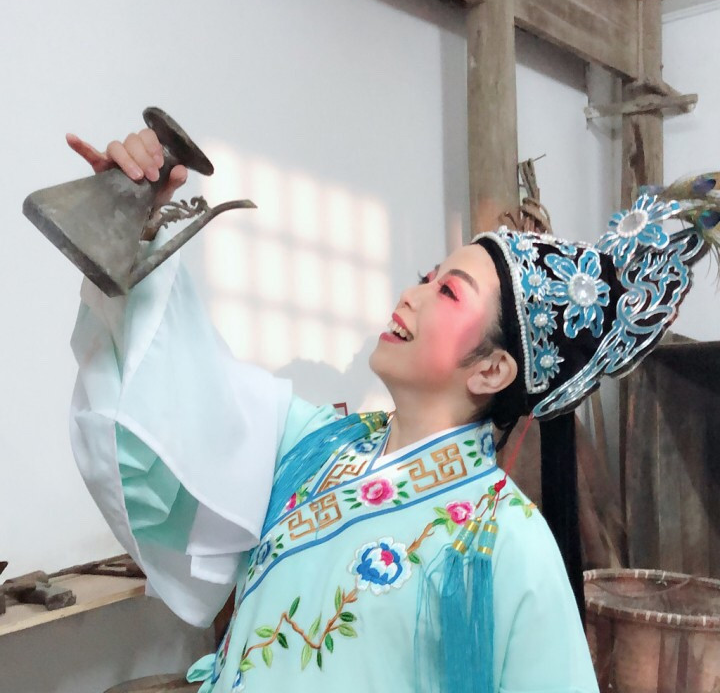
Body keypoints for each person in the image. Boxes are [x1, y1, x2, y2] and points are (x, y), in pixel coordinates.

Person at [66, 128, 719, 693]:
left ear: (492, 369)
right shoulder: (311, 445)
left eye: (449, 293)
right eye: (428, 276)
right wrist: (139, 226)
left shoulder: (505, 541)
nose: (414, 294)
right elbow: (178, 405)